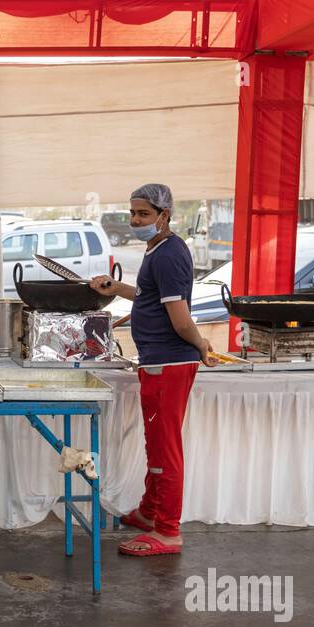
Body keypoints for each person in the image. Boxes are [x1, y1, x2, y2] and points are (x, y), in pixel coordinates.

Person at [89, 183, 217, 556]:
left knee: (165, 448)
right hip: (157, 362)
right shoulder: (157, 249)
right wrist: (116, 288)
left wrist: (201, 343)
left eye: (143, 214)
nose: (135, 220)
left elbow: (180, 319)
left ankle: (167, 531)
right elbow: (150, 295)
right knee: (156, 443)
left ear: (165, 215)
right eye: (132, 213)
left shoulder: (169, 254)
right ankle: (149, 512)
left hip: (169, 363)